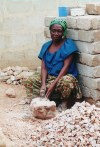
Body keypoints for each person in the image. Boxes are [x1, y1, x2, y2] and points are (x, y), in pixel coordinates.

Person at [24, 18, 82, 108]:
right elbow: (44, 67)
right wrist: (43, 84)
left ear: (64, 32)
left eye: (59, 31)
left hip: (63, 77)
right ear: (50, 31)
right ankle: (40, 100)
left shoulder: (68, 44)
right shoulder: (46, 46)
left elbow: (65, 67)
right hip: (50, 77)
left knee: (67, 81)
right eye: (53, 31)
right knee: (31, 80)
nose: (56, 34)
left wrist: (52, 85)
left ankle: (64, 103)